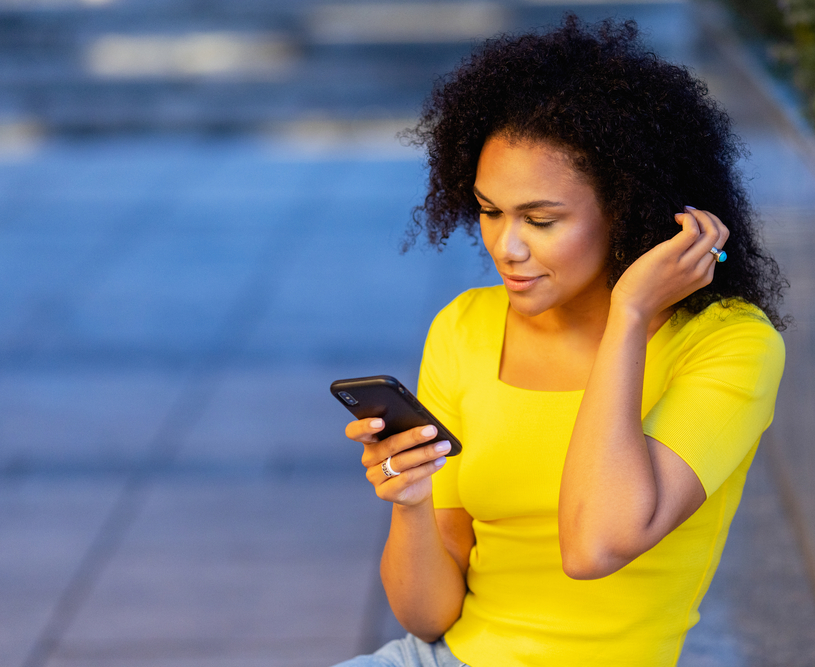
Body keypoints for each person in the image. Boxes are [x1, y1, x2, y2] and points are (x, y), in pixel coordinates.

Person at [335, 14, 786, 667]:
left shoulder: (730, 345)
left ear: (629, 207)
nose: (506, 247)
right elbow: (429, 615)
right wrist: (411, 501)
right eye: (490, 211)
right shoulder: (466, 328)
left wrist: (629, 313)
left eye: (541, 219)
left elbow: (595, 544)